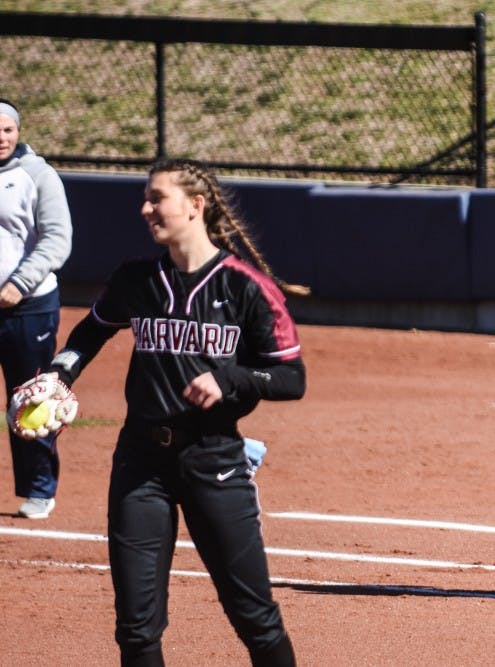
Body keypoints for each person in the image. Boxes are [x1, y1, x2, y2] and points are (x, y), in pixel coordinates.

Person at [43, 158, 307, 665]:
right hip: (140, 464)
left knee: (254, 616)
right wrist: (59, 372)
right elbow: (91, 331)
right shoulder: (137, 280)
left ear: (195, 206)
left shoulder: (244, 287)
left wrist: (231, 377)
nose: (145, 209)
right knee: (136, 629)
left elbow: (291, 379)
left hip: (214, 463)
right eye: (146, 198)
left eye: (156, 198)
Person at [0, 97, 73, 519]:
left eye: (8, 129)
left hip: (28, 308)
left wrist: (18, 284)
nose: (2, 137)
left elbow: (57, 239)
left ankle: (40, 490)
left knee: (30, 400)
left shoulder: (38, 175)